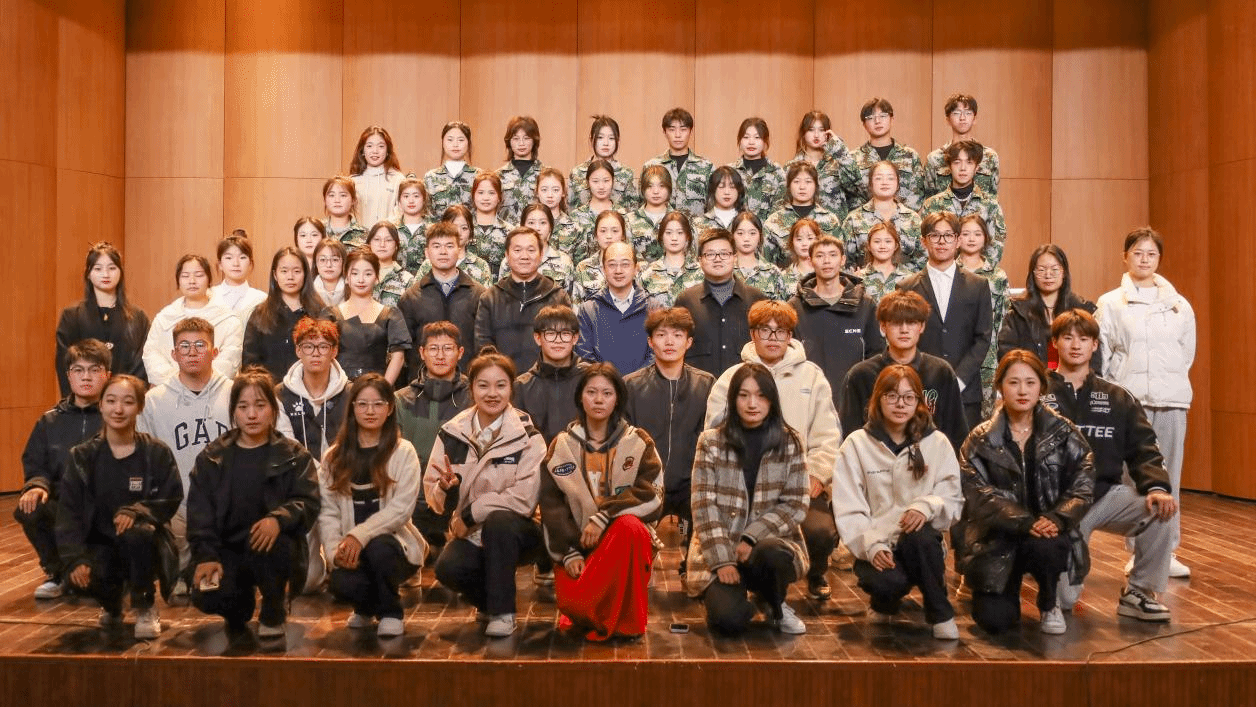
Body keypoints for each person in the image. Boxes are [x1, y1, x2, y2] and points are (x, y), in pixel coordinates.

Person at [1044, 310, 1177, 622]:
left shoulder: (1117, 397)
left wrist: (1157, 487)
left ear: (1094, 345)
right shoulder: (1037, 390)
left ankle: (1140, 592)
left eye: (1083, 338)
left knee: (1162, 508)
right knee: (1064, 601)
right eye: (1067, 337)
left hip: (1104, 496)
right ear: (1055, 343)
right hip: (1057, 506)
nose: (1075, 345)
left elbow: (1145, 448)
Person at [704, 301, 841, 601]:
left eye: (781, 331)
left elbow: (828, 434)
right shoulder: (731, 377)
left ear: (790, 336)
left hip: (798, 482)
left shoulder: (812, 376)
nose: (773, 338)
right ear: (753, 334)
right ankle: (752, 580)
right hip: (746, 485)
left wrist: (818, 474)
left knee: (819, 531)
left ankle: (816, 572)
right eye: (765, 330)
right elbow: (715, 432)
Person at [960, 350, 1094, 635]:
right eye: (1013, 382)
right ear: (1000, 386)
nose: (1022, 391)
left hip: (1047, 536)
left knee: (1048, 548)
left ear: (1041, 388)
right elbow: (978, 494)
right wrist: (1023, 521)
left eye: (1030, 383)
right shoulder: (980, 438)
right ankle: (1007, 592)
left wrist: (1057, 518)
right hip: (999, 539)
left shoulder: (1064, 432)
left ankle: (1048, 601)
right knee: (995, 622)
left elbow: (1082, 484)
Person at [831, 365, 963, 639]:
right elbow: (849, 508)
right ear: (877, 399)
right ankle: (884, 601)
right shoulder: (856, 444)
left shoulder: (936, 442)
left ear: (919, 402)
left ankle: (940, 613)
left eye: (908, 397)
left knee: (920, 537)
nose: (900, 404)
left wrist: (926, 506)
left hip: (923, 545)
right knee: (888, 581)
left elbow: (952, 498)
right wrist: (871, 545)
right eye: (891, 396)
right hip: (877, 545)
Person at [189, 368, 320, 642]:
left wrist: (279, 518)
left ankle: (274, 608)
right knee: (207, 595)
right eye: (243, 407)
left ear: (273, 410)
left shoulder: (294, 455)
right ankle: (239, 606)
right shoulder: (212, 457)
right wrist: (206, 555)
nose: (252, 414)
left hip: (273, 549)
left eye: (260, 406)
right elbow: (200, 514)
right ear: (233, 412)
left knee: (273, 543)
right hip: (228, 550)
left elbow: (308, 502)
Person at [425, 348, 548, 638]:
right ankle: (489, 603)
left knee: (499, 521)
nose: (492, 394)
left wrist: (471, 514)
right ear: (471, 389)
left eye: (500, 385)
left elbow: (524, 499)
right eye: (483, 385)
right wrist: (444, 488)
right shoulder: (452, 433)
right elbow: (434, 498)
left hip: (520, 532)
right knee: (448, 568)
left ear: (511, 389)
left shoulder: (528, 436)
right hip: (469, 532)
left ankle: (504, 612)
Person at [1096, 227, 1195, 578]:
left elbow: (1186, 353)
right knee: (1135, 476)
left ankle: (1167, 551)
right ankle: (1139, 550)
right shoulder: (1110, 303)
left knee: (1170, 477)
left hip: (1171, 401)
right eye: (1137, 253)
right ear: (1125, 257)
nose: (1144, 259)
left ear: (1159, 259)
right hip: (1131, 403)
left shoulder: (1179, 304)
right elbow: (1103, 354)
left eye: (1151, 253)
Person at [540, 364, 662, 640]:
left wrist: (605, 515)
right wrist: (568, 553)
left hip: (621, 547)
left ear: (617, 398)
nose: (598, 400)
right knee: (575, 604)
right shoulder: (562, 445)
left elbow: (653, 495)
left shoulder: (638, 441)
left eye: (607, 393)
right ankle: (594, 609)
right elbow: (551, 507)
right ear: (580, 397)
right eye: (591, 392)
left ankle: (626, 623)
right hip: (578, 548)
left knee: (630, 527)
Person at [686, 363, 808, 635]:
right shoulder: (711, 441)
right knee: (728, 621)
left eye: (761, 396)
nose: (752, 404)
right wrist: (722, 560)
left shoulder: (790, 442)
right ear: (733, 399)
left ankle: (774, 603)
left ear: (772, 400)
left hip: (766, 544)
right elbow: (703, 505)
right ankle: (736, 599)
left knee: (773, 554)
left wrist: (752, 536)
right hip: (721, 546)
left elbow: (796, 503)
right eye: (744, 395)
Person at [57, 374, 182, 639]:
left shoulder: (156, 452)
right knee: (77, 578)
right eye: (111, 401)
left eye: (128, 402)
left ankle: (145, 605)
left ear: (139, 407)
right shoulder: (82, 456)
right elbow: (69, 512)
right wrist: (75, 559)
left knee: (138, 533)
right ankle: (112, 604)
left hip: (144, 544)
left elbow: (171, 497)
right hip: (99, 544)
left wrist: (137, 511)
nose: (118, 409)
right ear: (100, 405)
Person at [319, 374, 426, 638]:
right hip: (351, 548)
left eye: (378, 404)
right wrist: (334, 551)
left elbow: (401, 509)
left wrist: (360, 535)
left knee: (380, 548)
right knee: (340, 584)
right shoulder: (333, 457)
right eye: (363, 404)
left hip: (395, 547)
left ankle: (391, 612)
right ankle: (365, 608)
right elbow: (328, 512)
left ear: (389, 409)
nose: (370, 411)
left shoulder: (403, 452)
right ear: (352, 408)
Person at [137, 317, 232, 593]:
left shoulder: (235, 393)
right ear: (174, 354)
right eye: (185, 346)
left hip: (225, 505)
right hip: (178, 506)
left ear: (214, 352)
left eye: (200, 345)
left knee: (223, 582)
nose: (192, 352)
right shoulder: (153, 401)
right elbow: (145, 460)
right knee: (179, 582)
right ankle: (181, 569)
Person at [624, 308, 715, 576]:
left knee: (707, 517)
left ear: (689, 342)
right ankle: (641, 563)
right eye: (661, 335)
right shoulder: (631, 385)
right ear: (650, 341)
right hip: (646, 483)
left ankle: (694, 566)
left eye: (677, 335)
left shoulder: (706, 384)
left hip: (692, 483)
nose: (669, 342)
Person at [19, 339, 109, 599]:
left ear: (107, 374)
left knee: (97, 588)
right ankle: (57, 572)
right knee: (30, 506)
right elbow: (36, 463)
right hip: (64, 505)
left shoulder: (117, 415)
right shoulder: (49, 421)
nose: (86, 377)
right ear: (68, 375)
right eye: (78, 370)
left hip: (103, 509)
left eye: (94, 370)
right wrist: (37, 485)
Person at [897, 212, 993, 432]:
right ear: (924, 241)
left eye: (948, 235)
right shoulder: (906, 287)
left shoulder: (978, 285)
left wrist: (959, 380)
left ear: (957, 240)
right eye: (935, 235)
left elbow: (983, 338)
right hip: (919, 391)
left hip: (966, 392)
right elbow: (904, 338)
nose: (942, 242)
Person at [840, 290, 969, 451]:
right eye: (896, 323)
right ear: (883, 326)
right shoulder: (861, 375)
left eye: (912, 322)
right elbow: (850, 435)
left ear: (922, 326)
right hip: (874, 460)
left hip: (930, 460)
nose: (904, 330)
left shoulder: (941, 372)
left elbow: (956, 434)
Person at [395, 321, 471, 555]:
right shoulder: (401, 400)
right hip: (411, 502)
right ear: (421, 352)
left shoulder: (474, 398)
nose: (440, 355)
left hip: (459, 502)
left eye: (448, 348)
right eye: (433, 348)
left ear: (460, 352)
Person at [789, 234, 883, 411]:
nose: (827, 261)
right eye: (820, 255)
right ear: (810, 261)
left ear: (843, 260)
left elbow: (876, 355)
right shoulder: (795, 307)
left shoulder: (865, 305)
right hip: (807, 403)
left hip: (856, 402)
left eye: (833, 255)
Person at [474, 227, 573, 374]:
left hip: (547, 379)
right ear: (507, 255)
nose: (524, 256)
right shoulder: (490, 298)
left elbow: (566, 343)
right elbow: (483, 346)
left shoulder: (558, 296)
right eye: (517, 250)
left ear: (541, 255)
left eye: (531, 250)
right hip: (503, 381)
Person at [56, 242, 150, 395]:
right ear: (88, 273)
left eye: (112, 268)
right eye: (98, 268)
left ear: (121, 272)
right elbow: (64, 363)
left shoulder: (138, 317)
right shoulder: (72, 316)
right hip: (83, 400)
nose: (105, 274)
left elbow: (143, 361)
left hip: (125, 399)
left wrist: (125, 393)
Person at [675, 228, 767, 376]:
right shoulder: (686, 300)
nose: (717, 259)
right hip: (699, 387)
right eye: (710, 254)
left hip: (745, 385)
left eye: (724, 253)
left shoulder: (757, 299)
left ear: (734, 257)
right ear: (700, 260)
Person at [398, 222, 486, 373]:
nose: (443, 252)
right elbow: (405, 351)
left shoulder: (479, 295)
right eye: (436, 246)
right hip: (424, 382)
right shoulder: (411, 298)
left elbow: (484, 345)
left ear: (459, 250)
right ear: (427, 252)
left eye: (449, 246)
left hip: (467, 381)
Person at [143, 254, 243, 384]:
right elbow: (151, 354)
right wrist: (178, 382)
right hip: (170, 388)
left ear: (209, 280)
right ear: (178, 281)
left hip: (215, 389)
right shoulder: (164, 318)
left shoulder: (228, 319)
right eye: (185, 276)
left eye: (199, 275)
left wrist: (200, 382)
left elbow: (229, 359)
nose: (192, 281)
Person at [999, 244, 1098, 372]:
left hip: (1073, 380)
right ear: (1032, 274)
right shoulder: (1018, 312)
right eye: (1041, 270)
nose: (1048, 275)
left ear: (1064, 273)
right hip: (1032, 380)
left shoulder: (1082, 310)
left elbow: (1095, 359)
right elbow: (1007, 356)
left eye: (1054, 269)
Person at [241, 247, 328, 381]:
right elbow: (250, 363)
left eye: (297, 271)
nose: (290, 277)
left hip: (311, 389)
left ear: (305, 274)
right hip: (268, 390)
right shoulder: (260, 314)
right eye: (284, 271)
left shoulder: (320, 313)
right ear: (275, 275)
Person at [920, 140, 1007, 265]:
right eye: (957, 162)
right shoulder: (932, 205)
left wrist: (978, 270)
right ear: (949, 167)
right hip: (941, 271)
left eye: (969, 162)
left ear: (976, 168)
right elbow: (925, 245)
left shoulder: (990, 205)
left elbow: (996, 245)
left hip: (978, 273)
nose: (963, 168)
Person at [330, 249, 411, 384]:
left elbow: (398, 356)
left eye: (368, 274)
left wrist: (382, 390)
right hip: (339, 388)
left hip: (378, 387)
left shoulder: (390, 315)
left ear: (377, 278)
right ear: (346, 277)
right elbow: (324, 353)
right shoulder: (331, 315)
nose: (361, 279)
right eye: (355, 273)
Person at [275, 317, 350, 461]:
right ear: (298, 350)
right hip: (297, 470)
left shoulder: (350, 392)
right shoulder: (280, 394)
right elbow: (285, 445)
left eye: (323, 347)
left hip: (342, 469)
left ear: (334, 351)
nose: (316, 353)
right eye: (308, 347)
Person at [956, 214, 1009, 416]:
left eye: (977, 234)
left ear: (986, 238)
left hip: (989, 360)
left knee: (986, 419)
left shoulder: (997, 277)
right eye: (966, 234)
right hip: (957, 356)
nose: (971, 239)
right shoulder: (949, 272)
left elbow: (1004, 319)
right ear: (957, 238)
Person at [575, 242, 655, 375]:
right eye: (612, 265)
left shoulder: (653, 308)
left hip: (643, 385)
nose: (618, 270)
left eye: (625, 264)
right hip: (601, 386)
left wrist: (635, 381)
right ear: (603, 269)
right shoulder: (588, 310)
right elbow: (584, 356)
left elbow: (656, 353)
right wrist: (607, 382)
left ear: (636, 268)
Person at [513, 305, 590, 444]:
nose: (558, 340)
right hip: (535, 456)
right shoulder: (521, 387)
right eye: (550, 333)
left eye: (565, 333)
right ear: (537, 338)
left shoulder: (591, 379)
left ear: (575, 338)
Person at [840, 160, 925, 270]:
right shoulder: (854, 219)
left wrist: (904, 276)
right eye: (879, 178)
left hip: (906, 280)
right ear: (870, 184)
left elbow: (923, 259)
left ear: (898, 184)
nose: (885, 182)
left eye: (890, 178)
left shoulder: (913, 219)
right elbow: (843, 260)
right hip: (864, 279)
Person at [850, 98, 926, 211]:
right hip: (865, 220)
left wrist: (898, 216)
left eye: (883, 116)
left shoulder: (910, 156)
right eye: (870, 118)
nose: (877, 121)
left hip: (904, 220)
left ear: (892, 119)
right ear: (864, 125)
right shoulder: (853, 158)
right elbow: (851, 197)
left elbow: (917, 194)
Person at [762, 161, 842, 267]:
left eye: (808, 182)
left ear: (816, 185)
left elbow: (838, 259)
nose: (802, 187)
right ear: (789, 186)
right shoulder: (773, 222)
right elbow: (767, 264)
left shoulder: (830, 220)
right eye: (796, 181)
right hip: (788, 276)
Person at [925, 94, 1000, 198]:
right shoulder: (935, 158)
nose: (962, 118)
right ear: (948, 120)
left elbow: (993, 196)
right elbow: (929, 199)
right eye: (956, 113)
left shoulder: (989, 156)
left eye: (968, 113)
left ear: (975, 118)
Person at [643, 107, 713, 218]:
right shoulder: (651, 166)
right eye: (672, 130)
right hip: (660, 227)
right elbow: (643, 205)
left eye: (683, 129)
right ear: (664, 132)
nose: (678, 135)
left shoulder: (706, 167)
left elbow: (713, 208)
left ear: (690, 131)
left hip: (696, 228)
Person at [792, 110, 861, 220]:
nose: (816, 135)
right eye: (811, 130)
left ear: (828, 133)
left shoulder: (838, 162)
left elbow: (856, 184)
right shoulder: (792, 167)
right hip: (803, 227)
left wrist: (839, 150)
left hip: (833, 227)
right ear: (803, 133)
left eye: (821, 130)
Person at [499, 203, 576, 292]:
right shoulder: (509, 261)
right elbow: (501, 296)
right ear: (522, 226)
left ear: (550, 227)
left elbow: (568, 298)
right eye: (531, 223)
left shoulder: (564, 261)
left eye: (543, 223)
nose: (537, 228)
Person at [413, 204, 495, 287]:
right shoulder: (429, 264)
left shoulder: (480, 266)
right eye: (454, 227)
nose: (459, 232)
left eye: (464, 228)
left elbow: (486, 295)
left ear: (470, 232)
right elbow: (415, 292)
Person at [568, 115, 638, 209]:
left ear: (618, 141)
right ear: (591, 139)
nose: (606, 143)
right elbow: (570, 209)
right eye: (600, 137)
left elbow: (633, 211)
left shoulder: (627, 174)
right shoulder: (577, 173)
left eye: (611, 138)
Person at [637, 211, 704, 307]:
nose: (674, 238)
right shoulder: (647, 274)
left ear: (687, 236)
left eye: (680, 233)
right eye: (668, 233)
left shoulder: (701, 273)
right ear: (661, 236)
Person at [729, 117, 786, 224]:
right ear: (740, 140)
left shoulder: (777, 173)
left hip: (769, 232)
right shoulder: (729, 172)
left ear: (765, 141)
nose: (751, 142)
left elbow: (781, 212)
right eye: (746, 137)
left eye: (757, 137)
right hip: (735, 231)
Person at [568, 160, 624, 269]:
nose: (601, 186)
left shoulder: (624, 215)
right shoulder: (575, 216)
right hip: (584, 274)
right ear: (587, 182)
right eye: (595, 181)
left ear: (613, 181)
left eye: (606, 181)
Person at [348, 126, 406, 226]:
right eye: (369, 146)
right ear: (362, 151)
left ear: (387, 151)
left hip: (388, 234)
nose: (375, 151)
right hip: (358, 235)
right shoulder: (352, 181)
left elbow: (401, 213)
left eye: (381, 146)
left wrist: (382, 231)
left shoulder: (398, 179)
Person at [571, 209, 630, 302]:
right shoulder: (583, 267)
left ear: (623, 235)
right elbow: (577, 305)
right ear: (595, 235)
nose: (609, 236)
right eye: (603, 231)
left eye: (615, 231)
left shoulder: (632, 267)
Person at [424, 121, 481, 216]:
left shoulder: (479, 176)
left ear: (468, 143)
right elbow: (427, 214)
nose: (455, 144)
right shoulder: (430, 177)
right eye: (450, 140)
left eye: (461, 140)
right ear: (443, 142)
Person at [852, 221, 915, 305]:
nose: (882, 246)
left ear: (896, 246)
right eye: (877, 241)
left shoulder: (909, 278)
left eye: (888, 241)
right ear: (869, 246)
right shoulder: (859, 278)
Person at [208, 232, 267, 320]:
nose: (236, 263)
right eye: (229, 258)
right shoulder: (209, 295)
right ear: (220, 264)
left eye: (242, 257)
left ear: (250, 264)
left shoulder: (261, 299)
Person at [497, 115, 544, 224]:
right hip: (507, 233)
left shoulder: (546, 174)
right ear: (509, 142)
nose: (521, 143)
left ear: (534, 140)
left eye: (526, 138)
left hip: (537, 232)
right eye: (516, 138)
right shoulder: (498, 176)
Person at [536, 166, 585, 271]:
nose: (550, 195)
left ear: (563, 192)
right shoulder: (527, 227)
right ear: (537, 192)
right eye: (544, 190)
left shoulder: (575, 229)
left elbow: (580, 269)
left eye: (555, 190)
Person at [730, 212, 786, 300]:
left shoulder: (773, 272)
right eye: (740, 233)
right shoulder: (724, 269)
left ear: (760, 236)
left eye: (752, 233)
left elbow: (781, 306)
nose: (746, 239)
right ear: (733, 236)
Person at [468, 172, 514, 274]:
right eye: (480, 193)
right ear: (473, 196)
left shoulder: (510, 231)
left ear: (499, 197)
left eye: (491, 193)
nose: (486, 198)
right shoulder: (464, 228)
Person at [626, 165, 672, 261]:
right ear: (643, 189)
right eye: (650, 186)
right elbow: (627, 256)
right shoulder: (629, 220)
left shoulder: (679, 219)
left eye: (662, 186)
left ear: (669, 189)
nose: (656, 191)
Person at [367, 221, 416, 307]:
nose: (382, 244)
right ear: (369, 243)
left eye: (388, 240)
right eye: (377, 239)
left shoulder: (407, 280)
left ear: (396, 245)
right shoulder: (358, 275)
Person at [393, 177, 433, 273]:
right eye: (406, 196)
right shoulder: (390, 228)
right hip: (395, 280)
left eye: (416, 196)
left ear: (424, 200)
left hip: (425, 280)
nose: (411, 201)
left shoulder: (433, 229)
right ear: (399, 201)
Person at [691, 165, 745, 233]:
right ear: (713, 190)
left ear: (739, 190)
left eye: (732, 187)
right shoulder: (698, 224)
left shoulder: (747, 221)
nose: (727, 192)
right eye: (721, 187)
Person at [322, 176, 367, 248]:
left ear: (353, 200)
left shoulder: (364, 234)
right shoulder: (317, 230)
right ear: (325, 200)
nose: (337, 200)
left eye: (343, 195)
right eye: (331, 195)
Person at [780, 218, 819, 296]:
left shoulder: (827, 273)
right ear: (792, 242)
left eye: (810, 238)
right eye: (799, 239)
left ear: (818, 240)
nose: (804, 243)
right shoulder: (782, 277)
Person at [312, 237, 347, 307]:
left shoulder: (352, 290)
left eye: (335, 260)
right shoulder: (307, 291)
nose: (329, 265)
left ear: (343, 262)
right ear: (316, 263)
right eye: (323, 260)